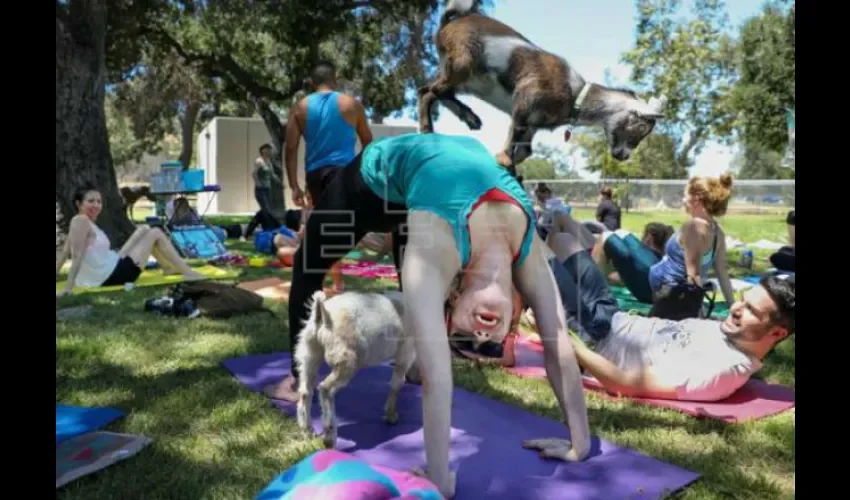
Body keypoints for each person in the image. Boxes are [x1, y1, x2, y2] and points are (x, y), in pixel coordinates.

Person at [265, 132, 592, 498]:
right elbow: (442, 379)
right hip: (374, 179)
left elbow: (558, 342)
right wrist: (439, 480)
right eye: (478, 341)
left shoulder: (466, 248)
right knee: (307, 266)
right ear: (452, 293)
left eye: (468, 340)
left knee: (415, 274)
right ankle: (298, 381)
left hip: (432, 184)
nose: (483, 336)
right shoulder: (513, 242)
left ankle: (413, 360)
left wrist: (579, 443)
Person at [541, 222, 795, 402]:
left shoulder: (722, 371)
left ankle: (507, 339)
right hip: (614, 316)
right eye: (743, 301)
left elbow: (624, 383)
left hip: (596, 335)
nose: (736, 308)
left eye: (751, 310)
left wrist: (568, 344)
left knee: (534, 252)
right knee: (562, 239)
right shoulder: (733, 334)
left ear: (777, 332)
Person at [284, 61, 374, 294]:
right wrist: (363, 174)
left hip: (315, 175)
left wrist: (294, 186)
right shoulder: (351, 105)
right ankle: (334, 283)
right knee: (336, 230)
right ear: (335, 80)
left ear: (312, 83)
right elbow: (369, 144)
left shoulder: (300, 107)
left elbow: (291, 149)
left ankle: (331, 282)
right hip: (345, 173)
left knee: (324, 228)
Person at [56, 185, 204, 297]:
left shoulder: (83, 223)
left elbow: (64, 253)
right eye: (91, 201)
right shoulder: (80, 220)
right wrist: (68, 287)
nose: (96, 205)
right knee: (156, 233)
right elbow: (75, 255)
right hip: (113, 275)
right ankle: (187, 271)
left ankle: (168, 267)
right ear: (78, 204)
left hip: (112, 264)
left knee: (144, 229)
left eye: (99, 201)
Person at [591, 222, 675, 303]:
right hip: (659, 292)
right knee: (620, 233)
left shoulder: (644, 261)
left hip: (650, 292)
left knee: (607, 235)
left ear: (649, 239)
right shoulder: (662, 260)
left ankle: (588, 287)